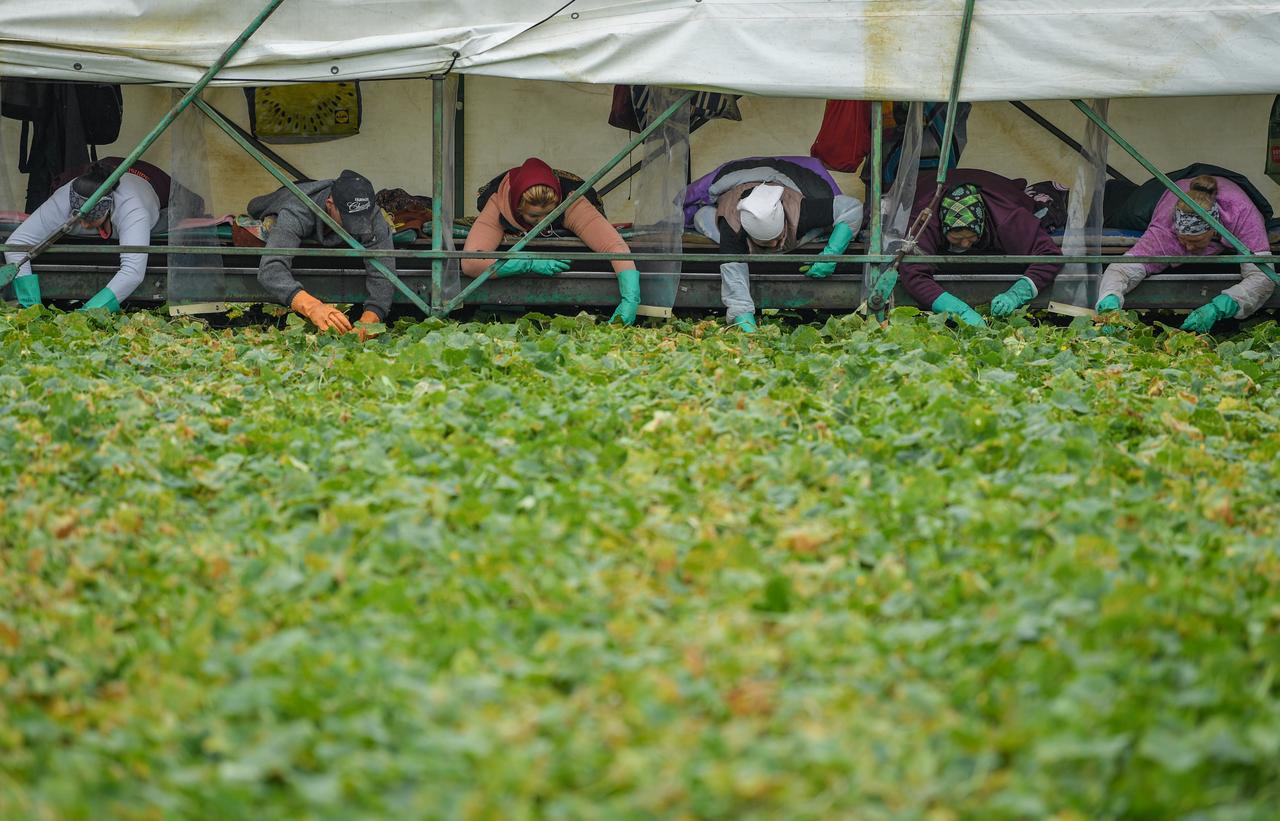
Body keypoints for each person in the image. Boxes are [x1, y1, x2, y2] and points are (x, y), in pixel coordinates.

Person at [685, 156, 864, 332]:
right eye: (764, 242)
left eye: (777, 238)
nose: (773, 245)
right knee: (702, 217)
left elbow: (852, 208)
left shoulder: (802, 211)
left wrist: (831, 255)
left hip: (788, 179)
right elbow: (734, 274)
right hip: (733, 188)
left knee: (826, 227)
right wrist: (744, 320)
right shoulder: (731, 226)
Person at [463, 158, 642, 325]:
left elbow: (614, 246)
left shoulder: (571, 201)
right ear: (517, 208)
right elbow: (471, 262)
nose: (542, 221)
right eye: (533, 215)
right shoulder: (499, 202)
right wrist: (527, 262)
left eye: (549, 214)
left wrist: (630, 299)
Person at [1095, 175, 1274, 333]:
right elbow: (1123, 268)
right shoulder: (1165, 228)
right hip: (1156, 195)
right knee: (1119, 206)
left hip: (1231, 193)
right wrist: (1110, 299)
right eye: (1183, 240)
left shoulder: (1242, 214)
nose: (1188, 247)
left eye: (1196, 241)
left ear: (1213, 230)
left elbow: (1263, 277)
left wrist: (1220, 306)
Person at [898, 169, 1063, 326]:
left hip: (1000, 188)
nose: (964, 244)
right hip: (926, 187)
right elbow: (913, 274)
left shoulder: (1009, 218)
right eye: (956, 238)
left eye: (971, 237)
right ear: (942, 226)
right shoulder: (924, 220)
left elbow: (1049, 255)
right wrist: (960, 312)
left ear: (982, 225)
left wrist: (1015, 295)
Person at [2, 159, 171, 311]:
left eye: (90, 219)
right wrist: (31, 307)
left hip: (150, 176)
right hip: (104, 167)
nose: (82, 224)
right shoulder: (63, 198)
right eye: (78, 217)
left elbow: (133, 272)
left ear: (106, 207)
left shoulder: (133, 209)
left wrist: (88, 313)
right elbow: (16, 245)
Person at [248, 169, 393, 335]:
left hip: (320, 194)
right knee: (260, 209)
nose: (357, 227)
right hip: (287, 196)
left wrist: (369, 322)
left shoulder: (369, 212)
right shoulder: (297, 209)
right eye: (349, 220)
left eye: (361, 221)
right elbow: (270, 269)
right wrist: (313, 307)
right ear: (330, 204)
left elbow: (384, 273)